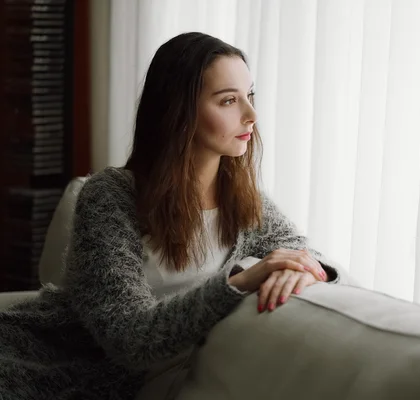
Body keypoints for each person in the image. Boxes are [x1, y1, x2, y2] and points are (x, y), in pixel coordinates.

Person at [0, 32, 349, 400]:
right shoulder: (110, 197)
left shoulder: (245, 204)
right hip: (39, 367)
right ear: (178, 110)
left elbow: (305, 254)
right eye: (229, 100)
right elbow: (131, 338)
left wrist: (304, 268)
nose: (251, 115)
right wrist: (239, 282)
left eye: (249, 96)